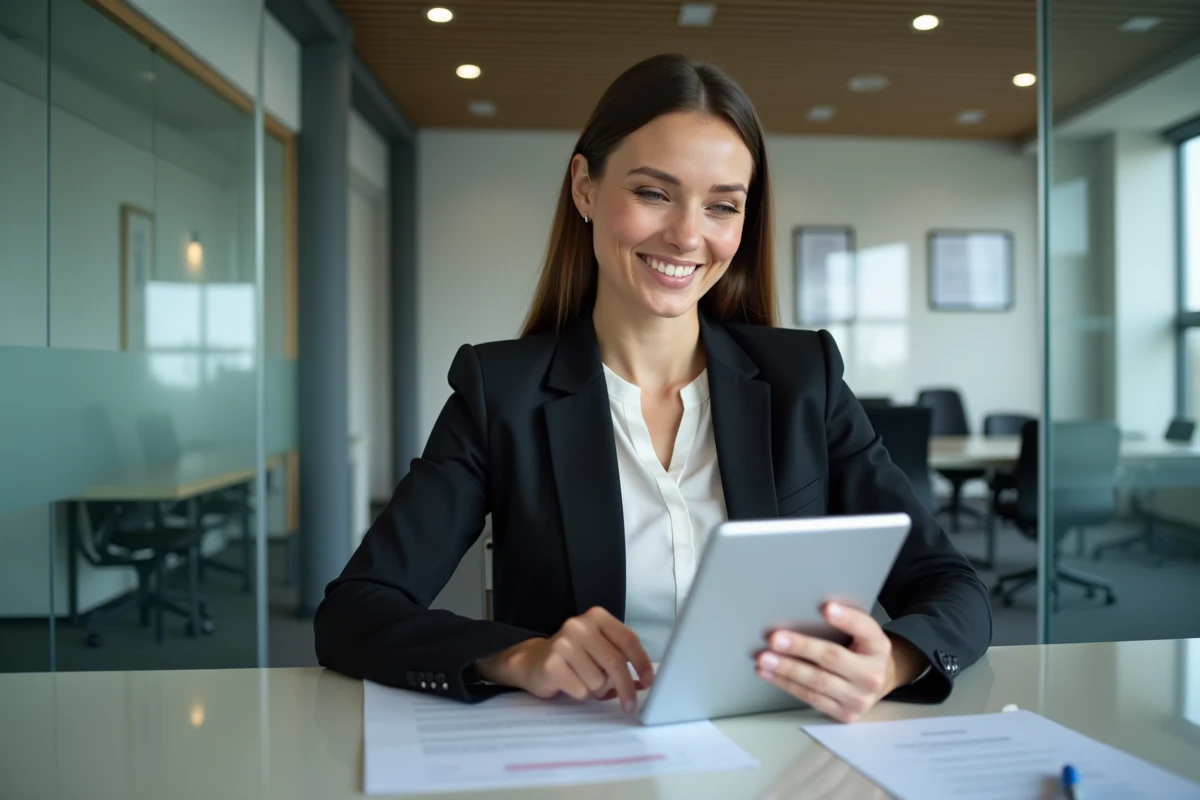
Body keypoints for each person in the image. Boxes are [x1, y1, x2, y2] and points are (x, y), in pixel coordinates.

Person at [314, 53, 991, 724]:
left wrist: (894, 660)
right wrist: (519, 656)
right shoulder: (502, 394)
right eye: (652, 193)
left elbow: (952, 587)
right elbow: (355, 610)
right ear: (585, 186)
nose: (688, 235)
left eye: (722, 206)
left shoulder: (802, 381)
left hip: (779, 752)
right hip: (585, 756)